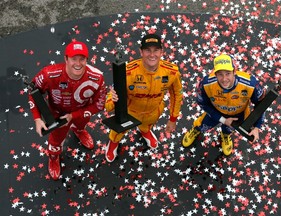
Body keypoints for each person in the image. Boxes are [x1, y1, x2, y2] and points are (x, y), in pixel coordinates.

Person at [28, 41, 106, 180]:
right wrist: (37, 119)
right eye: (73, 59)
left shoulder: (97, 77)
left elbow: (99, 105)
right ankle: (53, 158)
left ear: (87, 60)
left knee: (81, 125)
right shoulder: (49, 74)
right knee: (56, 141)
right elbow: (33, 93)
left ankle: (79, 131)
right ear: (66, 59)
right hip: (57, 115)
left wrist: (74, 116)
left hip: (81, 111)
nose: (78, 63)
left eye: (82, 59)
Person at [105, 33, 183, 162]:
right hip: (129, 112)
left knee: (147, 125)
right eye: (147, 50)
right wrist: (111, 101)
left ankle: (145, 131)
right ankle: (113, 142)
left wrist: (173, 118)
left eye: (156, 50)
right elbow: (111, 96)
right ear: (141, 52)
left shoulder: (171, 71)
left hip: (153, 111)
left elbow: (177, 94)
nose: (152, 55)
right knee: (118, 131)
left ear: (161, 52)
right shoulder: (128, 71)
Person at [182, 53, 266, 156]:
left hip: (238, 115)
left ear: (234, 72)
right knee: (202, 125)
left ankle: (225, 136)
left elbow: (261, 105)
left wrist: (257, 127)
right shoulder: (206, 84)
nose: (224, 79)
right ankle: (196, 130)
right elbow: (202, 103)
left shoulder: (251, 84)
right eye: (220, 74)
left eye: (227, 73)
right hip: (215, 111)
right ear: (215, 73)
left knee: (228, 129)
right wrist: (223, 120)